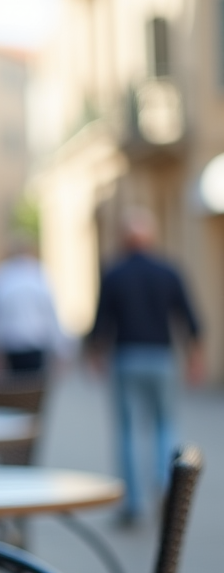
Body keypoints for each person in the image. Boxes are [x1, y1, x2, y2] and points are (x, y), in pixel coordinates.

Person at [87, 207, 204, 525]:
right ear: (150, 237)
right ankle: (166, 483)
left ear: (125, 239)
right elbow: (189, 317)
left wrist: (95, 354)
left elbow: (100, 322)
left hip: (126, 357)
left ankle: (133, 503)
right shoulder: (168, 271)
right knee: (164, 424)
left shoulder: (114, 272)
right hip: (161, 358)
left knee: (126, 431)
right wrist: (195, 356)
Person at [0, 235, 70, 376]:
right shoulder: (40, 275)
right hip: (32, 347)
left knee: (13, 394)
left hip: (10, 348)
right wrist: (61, 349)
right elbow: (51, 314)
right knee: (32, 392)